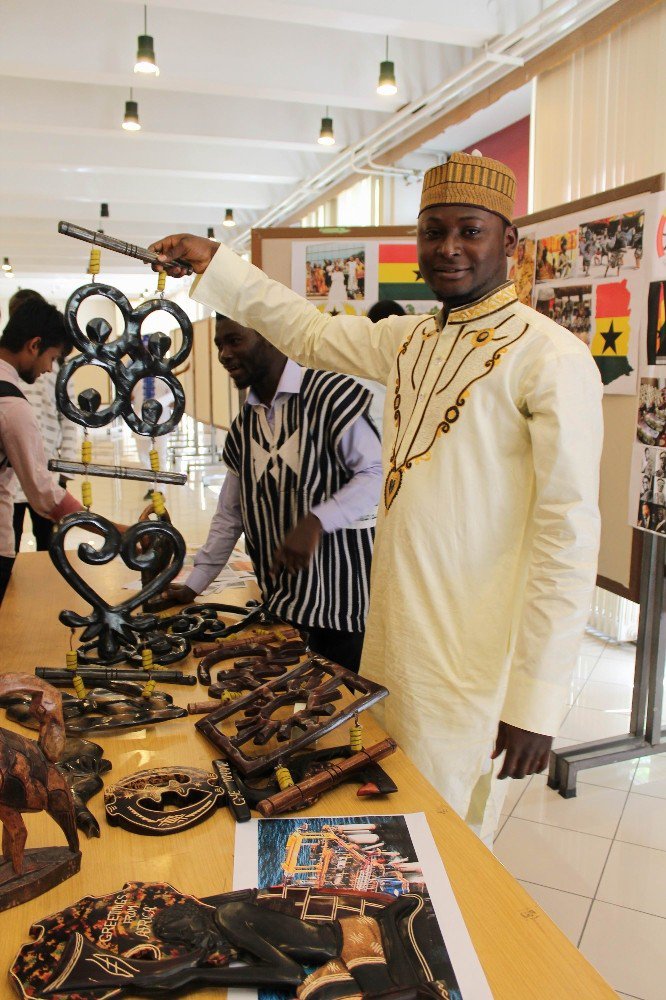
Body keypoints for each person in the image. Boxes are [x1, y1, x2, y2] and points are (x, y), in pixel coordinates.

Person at [150, 150, 603, 843]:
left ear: (509, 242)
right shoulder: (408, 341)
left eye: (470, 230)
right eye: (432, 231)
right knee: (394, 809)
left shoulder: (551, 358)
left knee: (451, 827)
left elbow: (567, 537)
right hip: (390, 631)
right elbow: (304, 329)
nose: (448, 248)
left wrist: (536, 701)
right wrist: (218, 263)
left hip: (470, 649)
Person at [164, 314, 381, 673]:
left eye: (235, 341)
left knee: (345, 712)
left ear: (273, 336)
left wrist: (316, 521)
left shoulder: (331, 396)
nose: (224, 354)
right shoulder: (243, 427)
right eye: (219, 344)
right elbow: (230, 514)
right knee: (292, 711)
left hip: (344, 606)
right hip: (283, 603)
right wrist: (195, 583)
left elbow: (375, 474)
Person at [0, 298, 84, 602]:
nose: (51, 368)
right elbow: (43, 493)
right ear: (34, 345)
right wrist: (114, 531)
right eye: (51, 357)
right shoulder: (11, 405)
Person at [8, 290, 79, 552]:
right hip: (12, 478)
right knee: (9, 539)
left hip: (46, 467)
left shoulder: (56, 366)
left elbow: (70, 421)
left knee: (48, 546)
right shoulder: (11, 374)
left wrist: (64, 471)